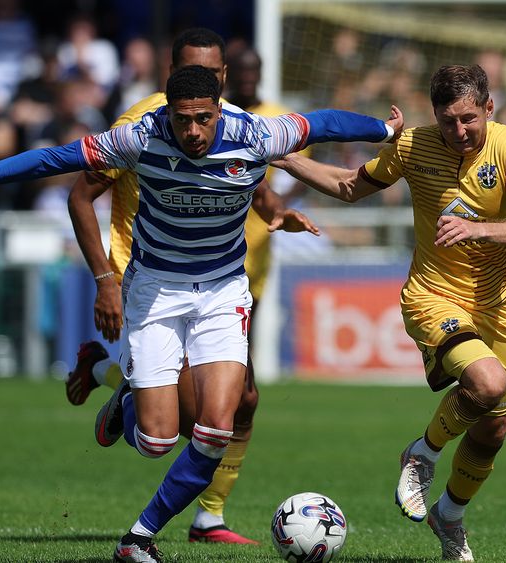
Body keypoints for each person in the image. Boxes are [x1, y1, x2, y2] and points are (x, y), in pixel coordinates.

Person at [0, 64, 402, 563]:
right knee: (158, 441)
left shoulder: (258, 133)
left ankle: (138, 539)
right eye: (183, 120)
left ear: (217, 108)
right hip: (155, 291)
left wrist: (382, 129)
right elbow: (52, 159)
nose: (193, 131)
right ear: (168, 111)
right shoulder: (139, 138)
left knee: (216, 428)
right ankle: (121, 392)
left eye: (203, 118)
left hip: (223, 292)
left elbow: (326, 123)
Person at [270, 64, 506, 561]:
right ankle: (421, 454)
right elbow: (350, 186)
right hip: (432, 294)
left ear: (489, 108)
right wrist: (290, 161)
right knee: (486, 384)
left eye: (468, 119)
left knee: (493, 430)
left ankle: (450, 515)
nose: (459, 131)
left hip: (494, 306)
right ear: (433, 116)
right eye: (448, 121)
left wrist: (479, 229)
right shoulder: (412, 146)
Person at [64, 31, 306, 546]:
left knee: (230, 406)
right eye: (209, 71)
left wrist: (276, 211)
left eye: (220, 73)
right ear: (171, 72)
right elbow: (83, 189)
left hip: (226, 275)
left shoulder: (225, 118)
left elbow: (247, 177)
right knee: (182, 422)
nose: (220, 80)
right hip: (148, 274)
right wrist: (105, 278)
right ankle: (126, 392)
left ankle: (206, 515)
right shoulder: (144, 122)